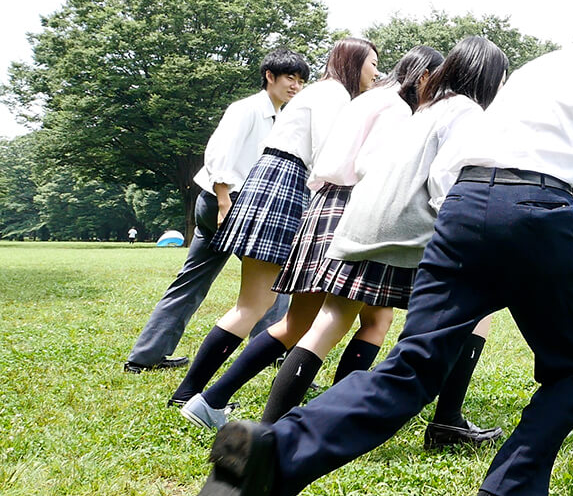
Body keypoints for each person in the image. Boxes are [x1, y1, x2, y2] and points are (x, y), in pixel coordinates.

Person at [186, 0, 573, 496]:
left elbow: (454, 163)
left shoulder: (535, 71)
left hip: (464, 207)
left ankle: (275, 452)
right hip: (538, 209)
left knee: (413, 367)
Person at [182, 45, 496, 445]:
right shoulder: (396, 109)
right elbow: (370, 165)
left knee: (307, 321)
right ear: (423, 76)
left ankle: (217, 401)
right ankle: (332, 414)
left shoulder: (366, 99)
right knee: (359, 321)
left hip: (324, 201)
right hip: (354, 205)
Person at [169, 38, 379, 408]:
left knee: (255, 304)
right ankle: (190, 394)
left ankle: (190, 393)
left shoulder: (323, 92)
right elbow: (329, 157)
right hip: (286, 181)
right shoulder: (333, 93)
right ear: (353, 61)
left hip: (278, 179)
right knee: (253, 305)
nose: (377, 72)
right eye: (373, 63)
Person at [123, 49, 308, 376]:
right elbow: (219, 153)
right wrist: (224, 201)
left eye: (301, 81)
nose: (296, 86)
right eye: (290, 78)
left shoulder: (281, 117)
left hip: (228, 204)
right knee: (272, 278)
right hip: (227, 202)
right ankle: (272, 352)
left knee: (192, 280)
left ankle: (146, 356)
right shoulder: (247, 109)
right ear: (269, 76)